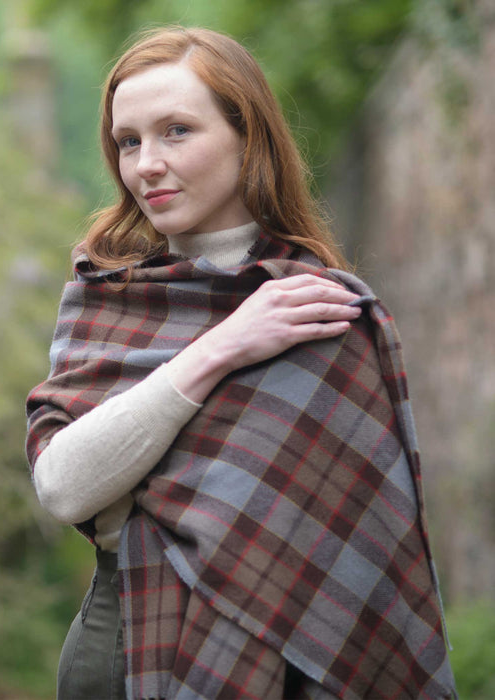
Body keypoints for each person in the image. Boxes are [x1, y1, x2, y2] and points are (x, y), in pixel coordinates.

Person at [26, 26, 456, 700]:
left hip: (284, 648)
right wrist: (223, 345)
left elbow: (364, 543)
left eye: (176, 132)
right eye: (129, 141)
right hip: (120, 644)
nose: (146, 165)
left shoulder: (320, 312)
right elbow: (62, 487)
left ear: (246, 137)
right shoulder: (106, 291)